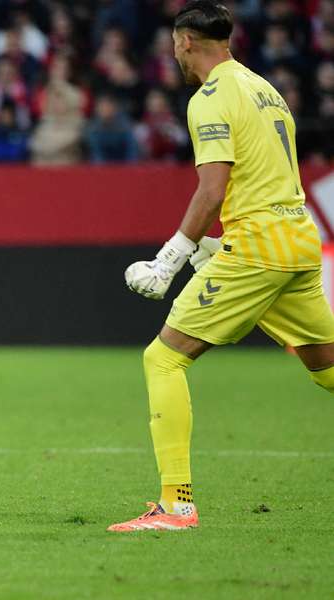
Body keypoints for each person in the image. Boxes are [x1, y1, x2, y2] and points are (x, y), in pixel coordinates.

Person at [114, 1, 334, 532]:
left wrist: (170, 259)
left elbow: (213, 190)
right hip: (297, 238)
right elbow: (266, 179)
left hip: (259, 246)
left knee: (163, 359)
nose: (174, 53)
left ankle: (176, 506)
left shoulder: (210, 98)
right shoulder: (265, 88)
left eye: (174, 44)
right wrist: (217, 244)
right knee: (329, 369)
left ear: (184, 41)